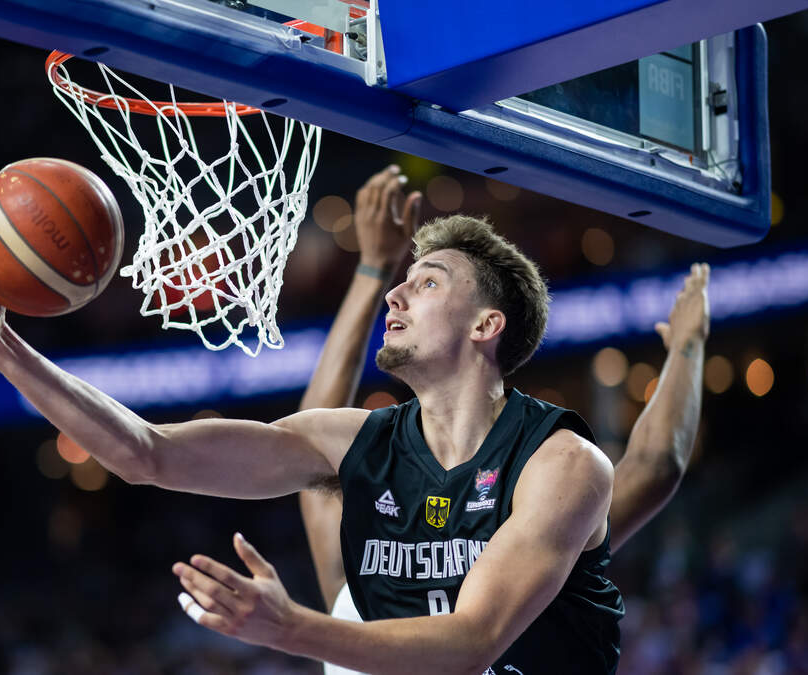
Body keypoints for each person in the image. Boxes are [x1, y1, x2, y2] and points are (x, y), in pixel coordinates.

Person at [0, 165, 708, 673]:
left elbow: (472, 642)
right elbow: (147, 453)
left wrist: (287, 626)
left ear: (486, 325)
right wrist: (2, 349)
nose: (397, 295)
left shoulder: (560, 462)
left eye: (427, 282)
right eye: (398, 283)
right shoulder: (357, 448)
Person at [294, 167, 709, 673]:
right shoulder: (361, 589)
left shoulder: (534, 518)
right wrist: (687, 348)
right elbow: (653, 467)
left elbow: (652, 467)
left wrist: (373, 269)